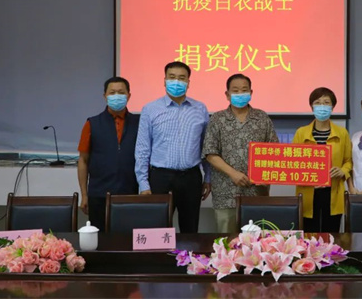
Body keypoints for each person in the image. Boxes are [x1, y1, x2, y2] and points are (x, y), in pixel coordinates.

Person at [134, 61, 211, 233]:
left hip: (191, 177)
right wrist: (143, 184)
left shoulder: (200, 108)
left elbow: (206, 147)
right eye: (172, 77)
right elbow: (142, 149)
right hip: (160, 178)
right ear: (164, 80)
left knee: (190, 230)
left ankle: (189, 252)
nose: (176, 82)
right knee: (158, 230)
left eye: (182, 78)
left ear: (188, 82)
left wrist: (208, 178)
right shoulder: (150, 109)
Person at [202, 74, 279, 233]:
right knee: (227, 240)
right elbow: (210, 153)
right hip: (225, 193)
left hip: (257, 193)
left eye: (244, 90)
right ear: (227, 94)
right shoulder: (217, 119)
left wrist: (264, 176)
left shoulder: (262, 118)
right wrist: (233, 173)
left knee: (257, 241)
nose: (240, 94)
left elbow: (274, 150)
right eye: (235, 90)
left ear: (251, 92)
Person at [77, 76, 140, 231]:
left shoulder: (140, 122)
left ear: (129, 96)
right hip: (99, 194)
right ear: (105, 96)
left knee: (128, 239)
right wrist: (84, 195)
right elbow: (83, 160)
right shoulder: (92, 123)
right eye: (112, 93)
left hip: (130, 194)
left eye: (121, 92)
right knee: (100, 240)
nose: (116, 96)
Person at [292, 87, 352, 233]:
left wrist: (342, 171)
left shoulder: (342, 133)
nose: (322, 106)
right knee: (308, 236)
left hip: (333, 191)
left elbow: (348, 161)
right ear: (312, 106)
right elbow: (292, 163)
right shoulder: (301, 133)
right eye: (318, 103)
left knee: (331, 235)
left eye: (326, 103)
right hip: (308, 191)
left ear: (333, 107)